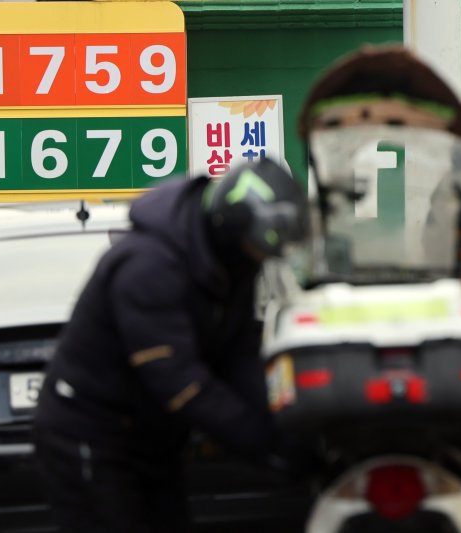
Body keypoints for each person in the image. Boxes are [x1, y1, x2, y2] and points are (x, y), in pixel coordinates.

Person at [32, 157, 308, 533]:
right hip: (91, 434)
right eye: (254, 248)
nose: (258, 258)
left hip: (152, 435)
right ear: (230, 227)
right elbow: (180, 382)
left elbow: (237, 353)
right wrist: (261, 442)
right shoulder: (149, 266)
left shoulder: (231, 262)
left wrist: (285, 425)